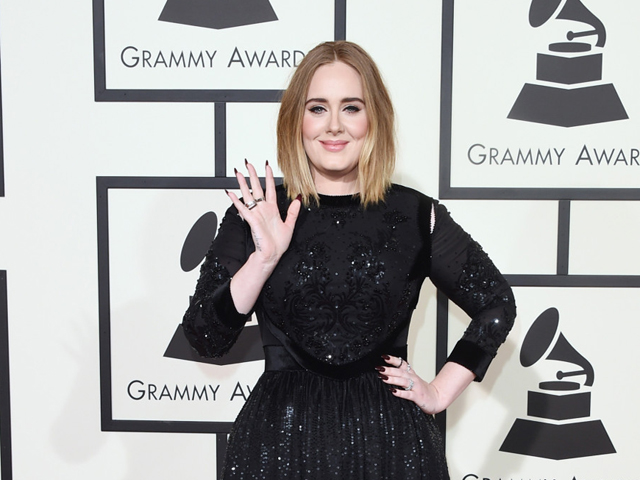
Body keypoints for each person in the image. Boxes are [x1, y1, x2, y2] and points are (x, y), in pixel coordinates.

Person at [182, 40, 516, 479]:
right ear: (295, 120)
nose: (334, 126)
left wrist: (437, 393)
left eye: (351, 108)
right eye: (318, 108)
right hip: (278, 446)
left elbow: (496, 305)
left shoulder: (416, 215)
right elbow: (205, 336)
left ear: (373, 118)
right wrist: (264, 259)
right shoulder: (258, 212)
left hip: (392, 447)